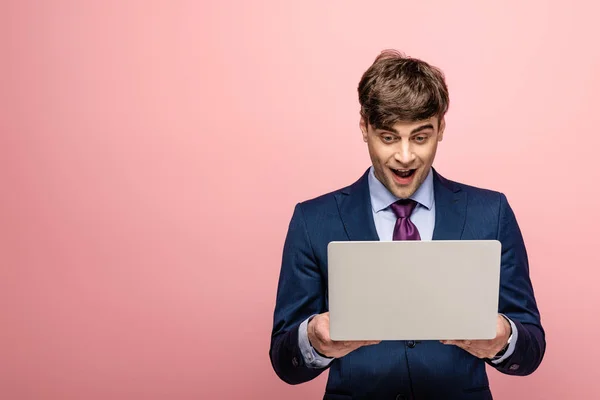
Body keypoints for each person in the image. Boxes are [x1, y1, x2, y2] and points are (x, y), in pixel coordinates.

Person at [269, 50, 545, 400]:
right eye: (388, 137)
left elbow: (531, 349)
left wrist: (502, 338)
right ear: (364, 127)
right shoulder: (312, 220)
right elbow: (284, 361)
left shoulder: (491, 213)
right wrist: (314, 340)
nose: (404, 156)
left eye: (420, 136)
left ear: (441, 128)